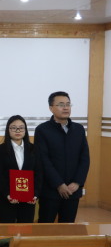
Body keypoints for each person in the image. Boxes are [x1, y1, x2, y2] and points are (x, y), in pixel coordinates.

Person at [34, 91, 90, 223]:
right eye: (61, 105)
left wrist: (77, 182)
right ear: (51, 108)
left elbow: (84, 158)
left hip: (72, 190)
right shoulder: (42, 130)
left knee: (68, 227)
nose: (65, 108)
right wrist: (59, 184)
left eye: (68, 104)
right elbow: (43, 160)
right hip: (50, 190)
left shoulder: (78, 129)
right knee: (45, 227)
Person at [0, 115, 42, 223]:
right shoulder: (1, 150)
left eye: (21, 127)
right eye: (14, 128)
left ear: (25, 130)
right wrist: (8, 194)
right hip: (7, 199)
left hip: (28, 199)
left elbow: (39, 173)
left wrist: (35, 194)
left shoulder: (34, 149)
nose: (18, 130)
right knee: (6, 230)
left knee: (25, 230)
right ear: (8, 130)